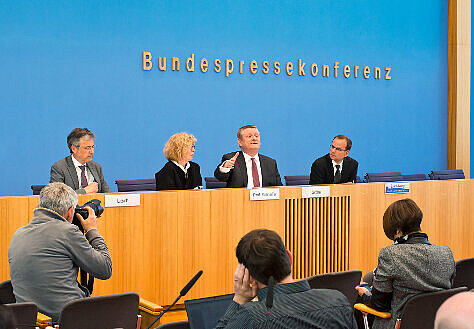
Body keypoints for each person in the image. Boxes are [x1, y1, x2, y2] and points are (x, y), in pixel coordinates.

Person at [8, 182, 112, 321]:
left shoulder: (18, 234)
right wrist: (92, 230)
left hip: (30, 321)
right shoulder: (66, 232)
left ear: (39, 207)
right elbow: (105, 269)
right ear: (70, 212)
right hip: (65, 320)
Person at [215, 229, 357, 329]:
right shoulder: (338, 301)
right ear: (289, 258)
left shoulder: (250, 317)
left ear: (249, 277)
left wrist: (238, 299)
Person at [355, 199, 455, 329]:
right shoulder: (446, 253)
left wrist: (365, 296)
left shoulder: (390, 254)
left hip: (397, 324)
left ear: (397, 231)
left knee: (359, 302)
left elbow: (379, 305)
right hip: (436, 323)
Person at [214, 125, 282, 188]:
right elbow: (220, 177)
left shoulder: (270, 163)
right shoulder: (231, 159)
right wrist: (225, 167)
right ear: (240, 142)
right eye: (249, 136)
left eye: (256, 136)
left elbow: (279, 188)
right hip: (240, 199)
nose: (254, 138)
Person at [50, 128, 111, 194]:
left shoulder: (96, 167)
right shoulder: (59, 168)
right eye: (87, 148)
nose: (92, 152)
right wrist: (85, 191)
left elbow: (108, 194)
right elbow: (57, 197)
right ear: (74, 149)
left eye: (92, 147)